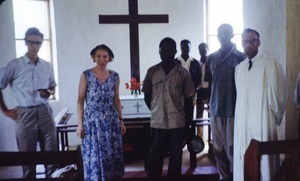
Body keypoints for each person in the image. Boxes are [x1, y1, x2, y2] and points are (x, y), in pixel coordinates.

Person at [0, 27, 57, 178]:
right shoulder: (14, 65)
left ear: (41, 44)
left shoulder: (46, 65)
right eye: (31, 42)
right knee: (27, 158)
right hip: (24, 114)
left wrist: (49, 92)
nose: (34, 46)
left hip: (45, 112)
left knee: (52, 156)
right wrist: (5, 110)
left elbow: (52, 86)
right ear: (26, 42)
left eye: (38, 43)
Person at [234, 28, 288, 181]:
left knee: (264, 165)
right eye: (246, 41)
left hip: (263, 122)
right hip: (243, 125)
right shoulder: (239, 69)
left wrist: (276, 117)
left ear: (259, 42)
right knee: (244, 160)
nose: (249, 44)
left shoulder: (270, 65)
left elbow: (280, 96)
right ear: (242, 43)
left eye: (253, 41)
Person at [142, 37, 195, 181]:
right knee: (155, 156)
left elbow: (189, 100)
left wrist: (189, 124)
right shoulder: (152, 72)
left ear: (175, 51)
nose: (166, 53)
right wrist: (156, 110)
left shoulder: (183, 73)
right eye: (163, 50)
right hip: (158, 123)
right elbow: (147, 97)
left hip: (177, 123)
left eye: (169, 50)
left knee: (175, 158)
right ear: (159, 52)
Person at [76, 44, 126, 181]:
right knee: (94, 156)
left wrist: (121, 121)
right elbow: (80, 100)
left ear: (109, 59)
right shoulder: (86, 75)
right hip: (92, 122)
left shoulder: (115, 76)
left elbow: (116, 99)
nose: (101, 59)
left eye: (105, 57)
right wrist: (80, 124)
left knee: (110, 155)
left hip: (111, 121)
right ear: (94, 57)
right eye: (98, 56)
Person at [204, 23, 246, 181]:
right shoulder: (211, 59)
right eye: (220, 33)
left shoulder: (240, 57)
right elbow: (209, 84)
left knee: (232, 147)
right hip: (215, 109)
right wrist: (208, 104)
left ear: (232, 35)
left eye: (226, 33)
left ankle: (237, 175)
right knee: (217, 147)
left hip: (233, 110)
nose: (223, 36)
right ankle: (224, 176)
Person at [196, 43, 210, 137]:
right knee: (199, 116)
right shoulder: (197, 63)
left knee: (211, 117)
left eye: (204, 49)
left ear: (207, 49)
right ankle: (199, 139)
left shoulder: (211, 61)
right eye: (200, 49)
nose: (202, 51)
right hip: (200, 91)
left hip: (209, 91)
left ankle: (211, 141)